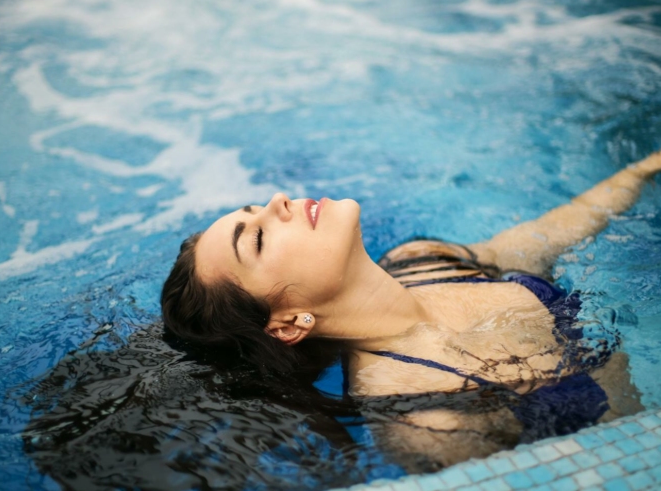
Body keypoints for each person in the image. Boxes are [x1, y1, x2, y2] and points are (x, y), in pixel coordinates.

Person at [161, 151, 661, 466]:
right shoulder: (428, 422)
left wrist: (645, 168)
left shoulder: (424, 259)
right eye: (260, 237)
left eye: (256, 208)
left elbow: (571, 222)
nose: (278, 200)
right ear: (289, 323)